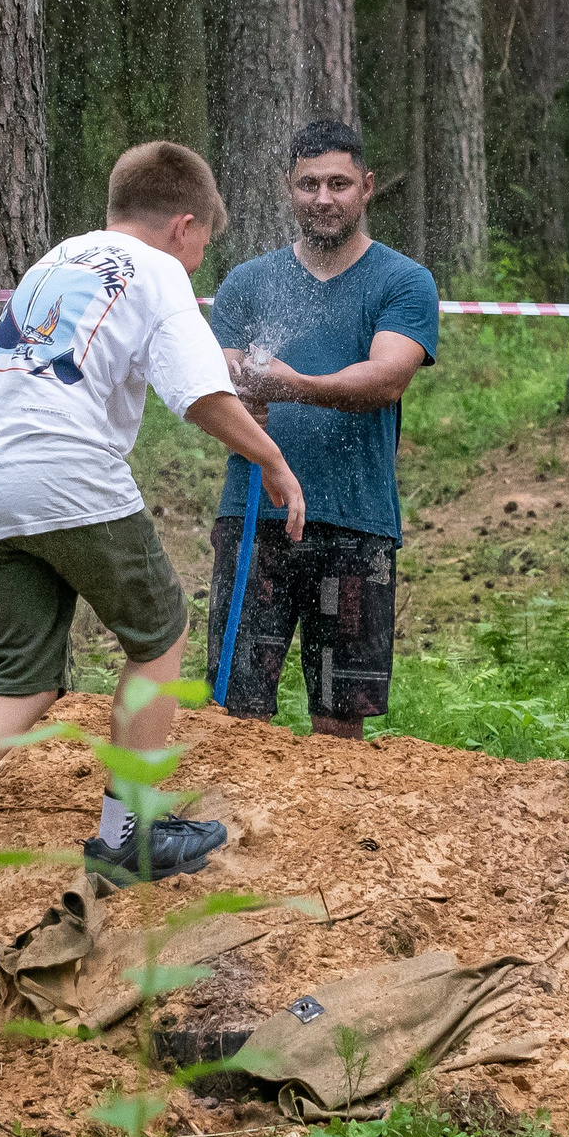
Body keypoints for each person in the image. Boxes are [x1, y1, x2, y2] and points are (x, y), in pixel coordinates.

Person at [0, 140, 307, 940]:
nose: (198, 260)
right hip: (63, 465)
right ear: (183, 226)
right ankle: (127, 834)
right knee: (160, 630)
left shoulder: (58, 260)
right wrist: (273, 459)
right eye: (202, 245)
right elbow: (199, 392)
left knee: (22, 677)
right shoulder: (160, 270)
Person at [207, 119, 438, 739]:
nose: (323, 198)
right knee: (234, 711)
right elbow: (214, 378)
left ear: (367, 187)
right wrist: (240, 388)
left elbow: (386, 379)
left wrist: (290, 385)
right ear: (289, 187)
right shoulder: (247, 282)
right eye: (309, 184)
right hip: (254, 515)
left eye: (339, 183)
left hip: (356, 519)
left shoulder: (402, 280)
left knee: (340, 721)